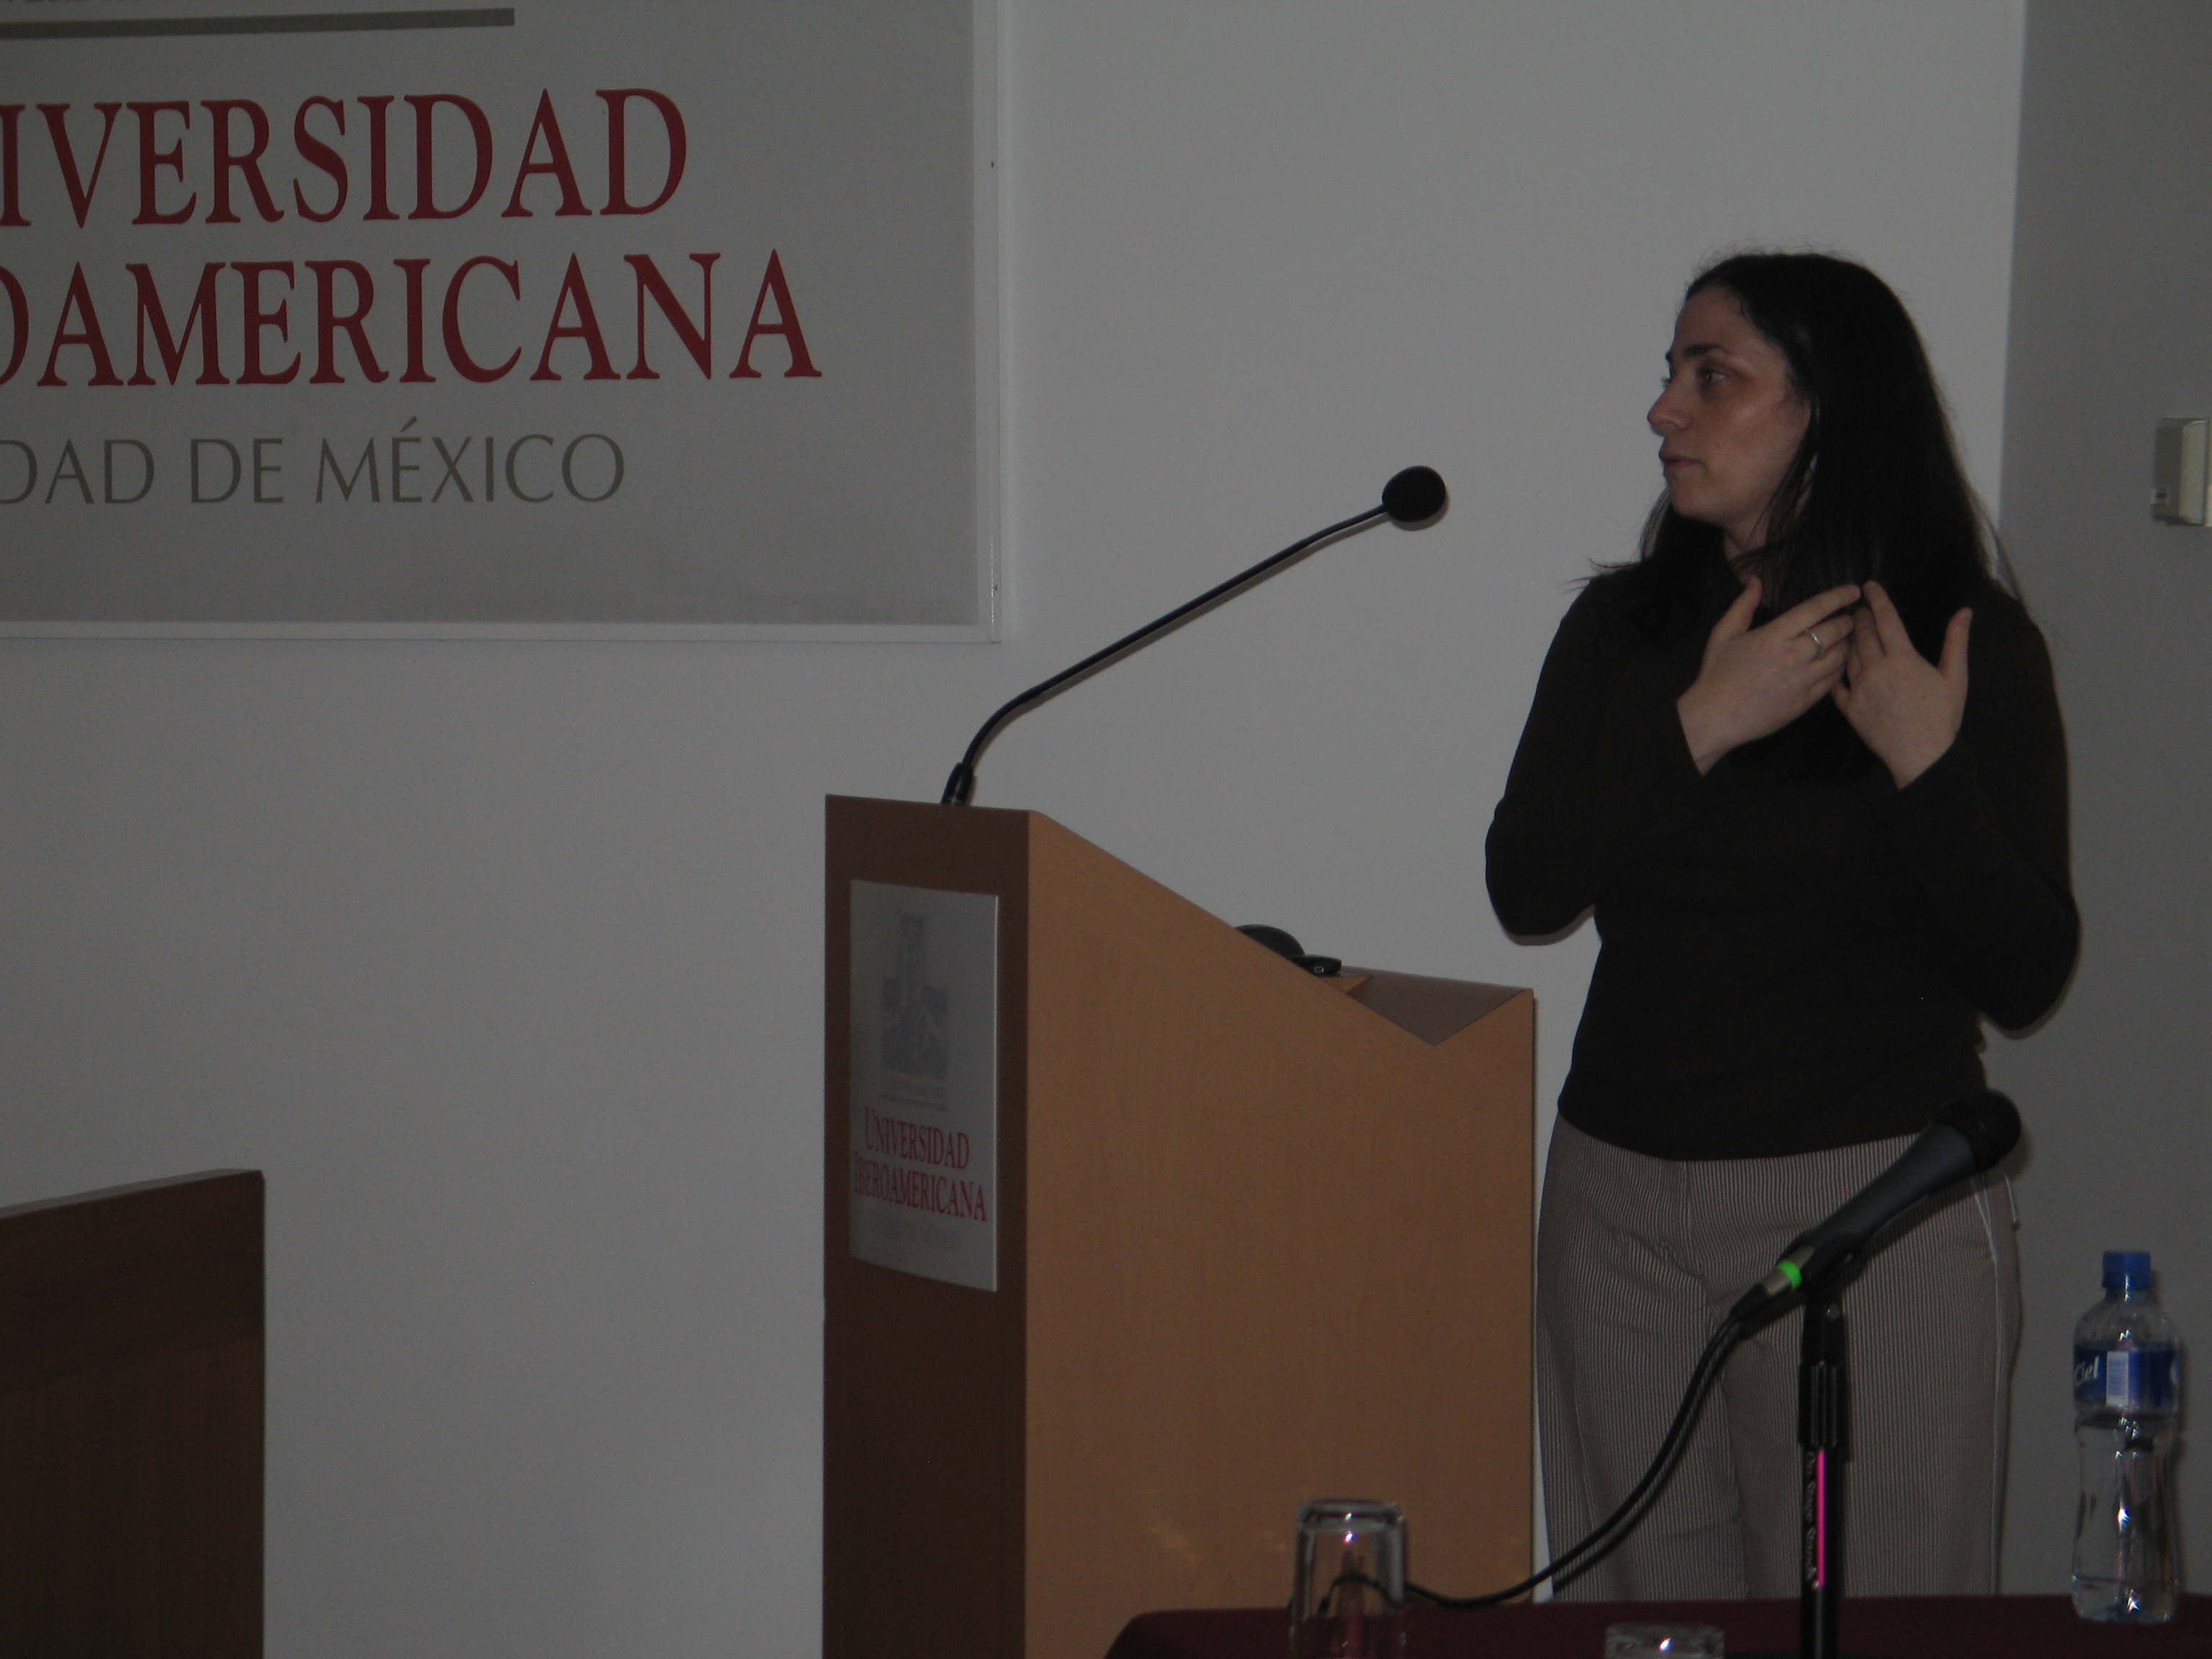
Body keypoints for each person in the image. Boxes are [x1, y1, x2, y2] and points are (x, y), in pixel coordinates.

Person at [1485, 252, 2077, 1600]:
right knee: (1642, 1629)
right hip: (1617, 1210)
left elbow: (2028, 969)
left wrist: (1927, 767)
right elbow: (1527, 885)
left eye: (1714, 377)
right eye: (1673, 375)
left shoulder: (1961, 648)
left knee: (1875, 1618)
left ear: (1831, 410)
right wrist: (1703, 721)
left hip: (1873, 1213)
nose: (1665, 410)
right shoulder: (1625, 630)